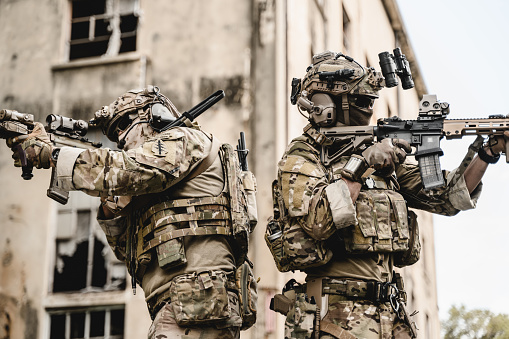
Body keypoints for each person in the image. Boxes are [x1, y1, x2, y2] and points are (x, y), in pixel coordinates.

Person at [265, 51, 507, 338]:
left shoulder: (379, 154)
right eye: (359, 101)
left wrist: (487, 151)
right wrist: (362, 163)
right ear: (324, 104)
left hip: (390, 315)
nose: (367, 108)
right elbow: (319, 222)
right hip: (336, 317)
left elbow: (447, 197)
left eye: (369, 101)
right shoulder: (304, 156)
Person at [8, 86, 258, 339]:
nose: (121, 138)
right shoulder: (153, 185)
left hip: (198, 299)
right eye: (114, 133)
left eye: (125, 124)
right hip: (182, 303)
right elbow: (126, 251)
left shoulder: (183, 139)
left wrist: (55, 155)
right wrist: (111, 207)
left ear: (156, 115)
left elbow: (131, 170)